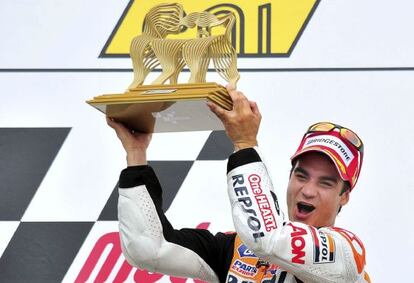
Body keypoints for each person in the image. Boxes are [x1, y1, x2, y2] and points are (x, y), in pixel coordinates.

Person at [107, 85, 370, 283]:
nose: (308, 190)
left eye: (326, 183)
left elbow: (268, 238)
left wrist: (244, 144)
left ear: (344, 196)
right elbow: (148, 248)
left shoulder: (347, 255)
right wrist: (136, 156)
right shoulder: (237, 250)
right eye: (301, 176)